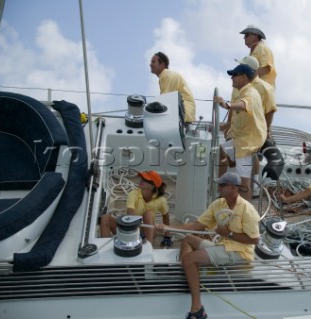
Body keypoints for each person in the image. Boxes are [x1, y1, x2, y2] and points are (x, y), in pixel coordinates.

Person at [155, 172, 260, 319]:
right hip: (223, 246)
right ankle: (189, 274)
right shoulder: (218, 204)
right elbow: (197, 225)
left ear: (233, 188)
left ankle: (197, 308)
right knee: (188, 239)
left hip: (239, 252)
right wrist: (168, 228)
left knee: (189, 259)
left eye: (222, 185)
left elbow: (255, 240)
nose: (218, 189)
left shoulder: (248, 210)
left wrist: (228, 233)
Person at [214, 63, 267, 200]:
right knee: (222, 151)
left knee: (244, 183)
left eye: (234, 75)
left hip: (247, 143)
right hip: (239, 139)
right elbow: (241, 118)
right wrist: (224, 127)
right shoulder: (243, 92)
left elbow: (244, 105)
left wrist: (226, 105)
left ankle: (246, 212)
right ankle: (221, 187)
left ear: (243, 77)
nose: (232, 78)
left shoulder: (250, 93)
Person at [100, 170, 170, 244]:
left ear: (152, 186)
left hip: (147, 231)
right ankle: (104, 247)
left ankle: (148, 247)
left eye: (144, 180)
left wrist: (167, 236)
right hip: (130, 229)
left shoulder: (161, 200)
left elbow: (165, 216)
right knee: (105, 218)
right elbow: (130, 212)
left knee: (147, 214)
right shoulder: (133, 194)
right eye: (141, 178)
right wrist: (133, 230)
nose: (141, 180)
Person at [149, 51, 196, 123]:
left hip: (184, 113)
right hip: (186, 113)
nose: (150, 65)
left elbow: (164, 101)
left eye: (153, 62)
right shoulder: (166, 75)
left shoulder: (166, 74)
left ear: (162, 64)